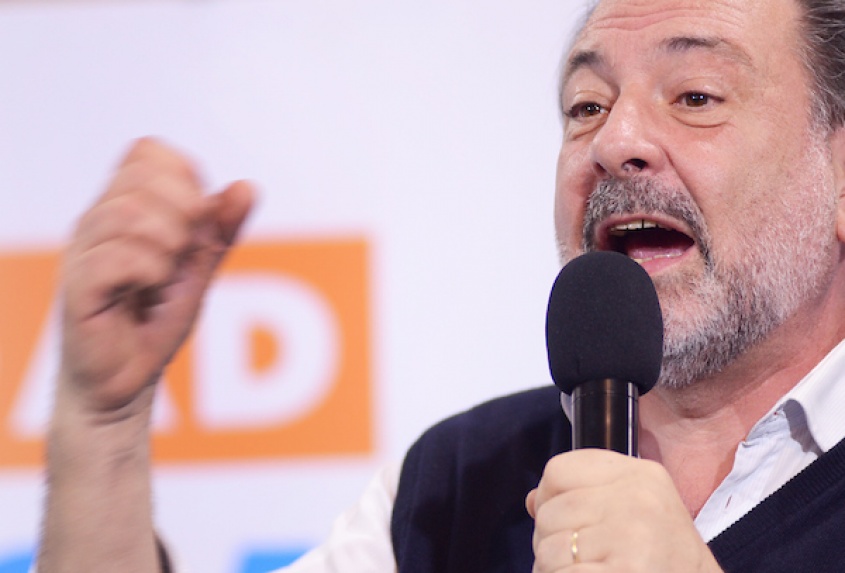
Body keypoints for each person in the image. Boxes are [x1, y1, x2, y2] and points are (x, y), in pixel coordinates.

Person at [35, 0, 845, 570]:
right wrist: (104, 419)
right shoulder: (456, 483)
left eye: (695, 96)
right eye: (585, 106)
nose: (614, 140)